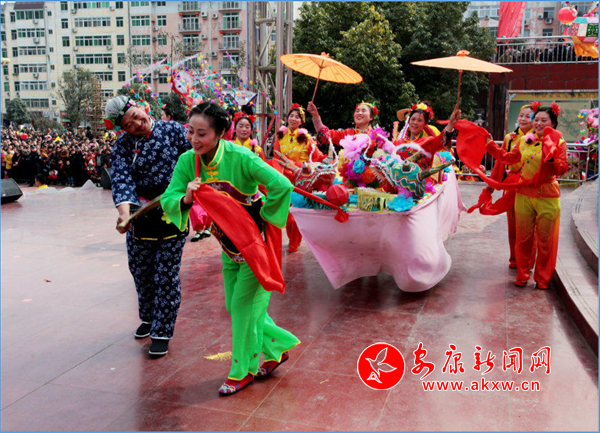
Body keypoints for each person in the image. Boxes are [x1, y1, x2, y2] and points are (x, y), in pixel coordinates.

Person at [161, 102, 300, 395]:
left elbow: (281, 185)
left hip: (256, 247)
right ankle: (277, 348)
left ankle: (242, 371)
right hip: (227, 246)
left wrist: (264, 219)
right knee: (236, 307)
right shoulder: (188, 161)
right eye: (191, 131)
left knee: (241, 307)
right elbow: (169, 197)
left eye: (202, 133)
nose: (194, 139)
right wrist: (186, 198)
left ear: (221, 132)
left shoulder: (241, 156)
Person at [106, 95, 191, 357]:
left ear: (142, 107)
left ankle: (162, 331)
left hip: (172, 209)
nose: (136, 124)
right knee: (140, 271)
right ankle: (149, 317)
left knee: (165, 274)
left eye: (136, 116)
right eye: (128, 125)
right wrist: (124, 214)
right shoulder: (122, 147)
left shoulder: (173, 130)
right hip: (139, 214)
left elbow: (194, 159)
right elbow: (121, 180)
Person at [485, 102, 568, 289]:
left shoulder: (559, 143)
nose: (538, 123)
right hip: (523, 194)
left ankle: (543, 279)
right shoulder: (523, 140)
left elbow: (562, 169)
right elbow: (509, 158)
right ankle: (522, 274)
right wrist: (491, 145)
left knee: (546, 240)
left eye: (544, 120)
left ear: (553, 123)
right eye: (536, 119)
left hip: (547, 196)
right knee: (523, 238)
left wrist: (552, 158)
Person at [485, 103, 535, 269]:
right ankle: (514, 258)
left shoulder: (538, 138)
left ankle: (528, 260)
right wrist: (492, 184)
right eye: (521, 115)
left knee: (530, 225)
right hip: (512, 185)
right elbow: (501, 162)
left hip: (529, 185)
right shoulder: (509, 138)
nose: (523, 119)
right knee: (513, 224)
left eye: (528, 116)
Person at [393, 102, 461, 171]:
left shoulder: (428, 142)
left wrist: (451, 123)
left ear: (425, 124)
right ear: (409, 121)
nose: (415, 122)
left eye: (419, 120)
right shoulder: (398, 143)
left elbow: (442, 141)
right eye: (413, 119)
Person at [308, 101, 378, 152]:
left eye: (363, 111)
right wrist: (315, 115)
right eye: (357, 111)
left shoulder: (378, 136)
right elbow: (325, 133)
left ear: (371, 117)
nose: (359, 113)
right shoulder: (347, 133)